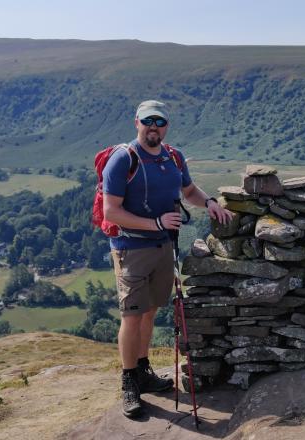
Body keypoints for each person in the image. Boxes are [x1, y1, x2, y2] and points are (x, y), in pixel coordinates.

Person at [101, 100, 232, 418]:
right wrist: (156, 224)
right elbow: (111, 211)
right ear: (137, 123)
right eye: (148, 121)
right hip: (131, 248)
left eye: (159, 122)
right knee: (131, 315)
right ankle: (129, 383)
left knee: (149, 311)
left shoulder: (173, 156)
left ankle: (143, 370)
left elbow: (188, 191)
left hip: (163, 247)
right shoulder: (123, 159)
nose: (154, 127)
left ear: (167, 126)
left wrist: (210, 202)